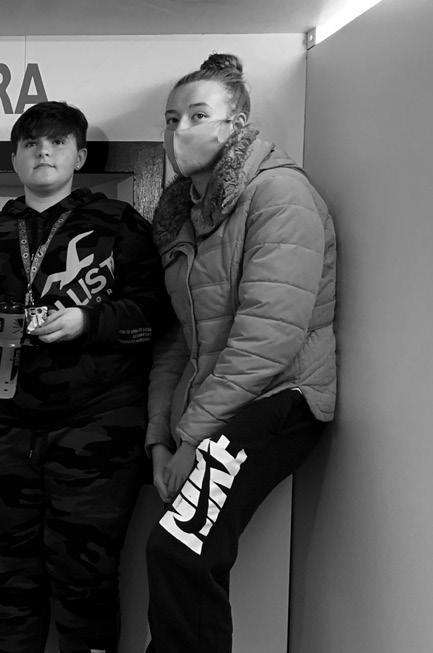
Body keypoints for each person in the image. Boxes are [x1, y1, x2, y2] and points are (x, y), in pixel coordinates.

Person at [0, 101, 169, 653]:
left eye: (58, 142)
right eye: (31, 144)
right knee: (9, 585)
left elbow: (154, 314)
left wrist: (88, 321)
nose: (44, 152)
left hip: (95, 431)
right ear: (14, 158)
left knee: (87, 584)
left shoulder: (119, 224)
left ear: (79, 156)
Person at [145, 54, 336, 653]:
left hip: (283, 395)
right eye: (171, 118)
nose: (180, 130)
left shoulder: (280, 193)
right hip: (222, 404)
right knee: (180, 553)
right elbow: (176, 339)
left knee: (180, 548)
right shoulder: (183, 217)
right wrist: (159, 438)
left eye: (199, 115)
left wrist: (193, 438)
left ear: (237, 124)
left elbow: (269, 335)